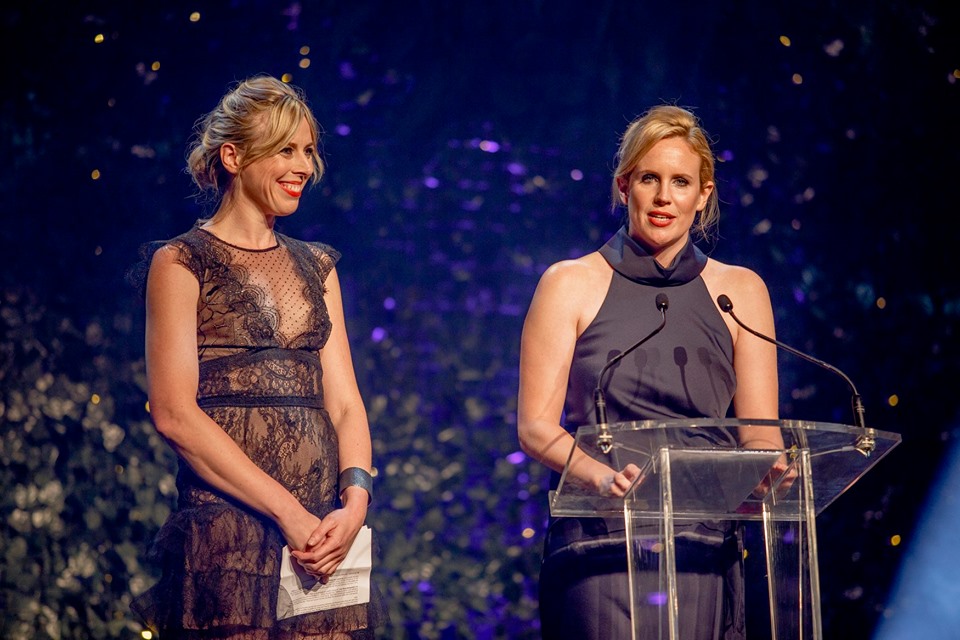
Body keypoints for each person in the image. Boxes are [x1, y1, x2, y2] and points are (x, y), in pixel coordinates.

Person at [517, 105, 788, 639]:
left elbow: (760, 436)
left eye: (681, 182)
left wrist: (771, 474)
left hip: (702, 548)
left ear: (703, 194)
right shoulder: (569, 283)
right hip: (601, 545)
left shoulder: (742, 292)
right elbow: (535, 428)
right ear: (624, 187)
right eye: (649, 179)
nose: (665, 197)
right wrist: (604, 479)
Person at [131, 75, 385, 638]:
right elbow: (174, 412)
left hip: (323, 535)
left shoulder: (318, 265)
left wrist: (355, 502)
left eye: (309, 151)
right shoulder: (181, 262)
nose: (303, 166)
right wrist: (287, 513)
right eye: (285, 150)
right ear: (233, 156)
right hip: (229, 534)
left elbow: (344, 403)